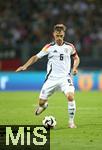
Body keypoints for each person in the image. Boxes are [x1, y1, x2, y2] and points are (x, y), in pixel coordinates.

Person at [16, 24, 80, 128]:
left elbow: (76, 58)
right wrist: (25, 66)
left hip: (65, 78)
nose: (59, 38)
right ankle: (44, 106)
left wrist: (74, 68)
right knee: (41, 102)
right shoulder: (49, 47)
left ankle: (71, 122)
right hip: (51, 80)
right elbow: (36, 57)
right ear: (54, 35)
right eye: (57, 35)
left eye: (61, 36)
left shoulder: (69, 47)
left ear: (64, 35)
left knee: (70, 96)